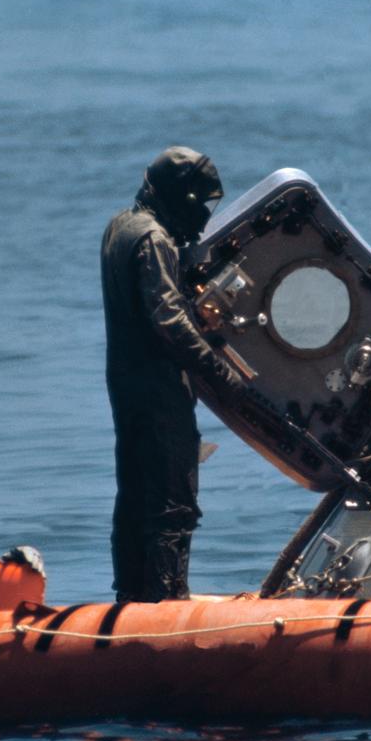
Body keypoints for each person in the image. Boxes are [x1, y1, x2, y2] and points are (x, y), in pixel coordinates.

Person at [101, 146, 246, 603]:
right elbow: (168, 320)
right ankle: (167, 599)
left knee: (134, 497)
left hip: (126, 385)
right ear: (178, 196)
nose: (201, 218)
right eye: (197, 204)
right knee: (172, 502)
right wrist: (217, 369)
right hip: (159, 387)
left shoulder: (119, 227)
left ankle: (130, 594)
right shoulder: (155, 240)